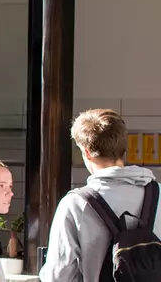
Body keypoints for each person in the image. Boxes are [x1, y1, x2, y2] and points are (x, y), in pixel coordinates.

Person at [39, 109, 161, 282]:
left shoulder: (75, 204)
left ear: (87, 153)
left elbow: (58, 276)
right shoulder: (159, 194)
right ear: (123, 148)